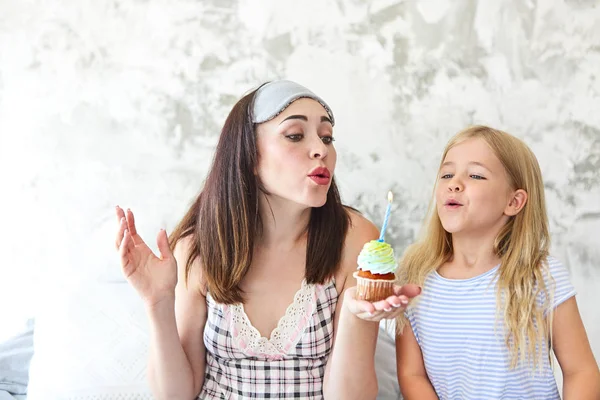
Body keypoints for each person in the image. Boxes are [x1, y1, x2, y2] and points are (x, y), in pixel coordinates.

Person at [115, 80, 420, 399]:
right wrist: (158, 302)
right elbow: (175, 395)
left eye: (326, 137)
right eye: (295, 135)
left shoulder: (356, 238)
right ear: (249, 155)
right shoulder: (197, 247)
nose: (321, 149)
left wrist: (359, 316)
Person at [395, 125, 600, 399]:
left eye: (476, 175)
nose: (454, 183)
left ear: (514, 202)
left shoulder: (540, 275)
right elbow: (412, 375)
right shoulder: (415, 277)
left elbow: (580, 370)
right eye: (446, 174)